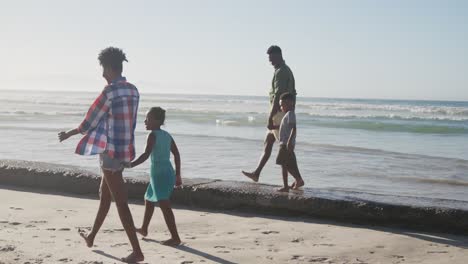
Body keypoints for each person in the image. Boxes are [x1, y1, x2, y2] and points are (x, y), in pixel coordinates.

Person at [58, 47, 144, 263]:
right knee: (105, 196)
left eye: (103, 69)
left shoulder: (109, 92)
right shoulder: (134, 90)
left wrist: (69, 133)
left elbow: (89, 122)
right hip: (125, 151)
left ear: (108, 67)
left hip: (111, 153)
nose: (102, 74)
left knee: (121, 203)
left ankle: (137, 251)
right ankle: (91, 237)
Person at [242, 45, 297, 182]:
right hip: (280, 112)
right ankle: (257, 173)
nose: (270, 61)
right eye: (269, 58)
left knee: (284, 149)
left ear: (279, 55)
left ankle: (298, 178)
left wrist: (270, 117)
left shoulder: (282, 72)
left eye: (272, 58)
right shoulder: (281, 70)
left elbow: (278, 95)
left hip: (279, 114)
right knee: (268, 142)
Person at [131, 107, 182, 246]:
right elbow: (176, 155)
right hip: (165, 172)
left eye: (147, 119)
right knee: (148, 198)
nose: (145, 121)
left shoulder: (152, 135)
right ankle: (144, 229)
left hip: (160, 174)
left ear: (157, 121)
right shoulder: (166, 135)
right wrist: (177, 175)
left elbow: (146, 154)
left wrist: (130, 165)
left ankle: (175, 237)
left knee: (165, 205)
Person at [275, 92, 304, 192]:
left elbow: (293, 128)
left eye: (282, 104)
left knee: (284, 164)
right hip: (285, 143)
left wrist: (289, 141)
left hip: (285, 144)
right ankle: (297, 180)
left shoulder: (290, 114)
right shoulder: (288, 114)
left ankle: (287, 186)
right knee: (288, 164)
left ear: (289, 103)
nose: (281, 107)